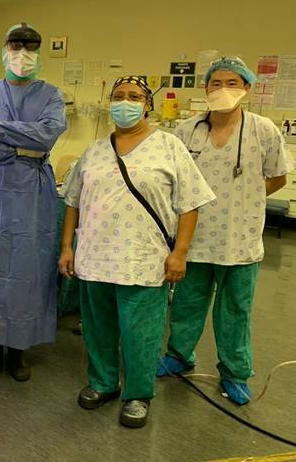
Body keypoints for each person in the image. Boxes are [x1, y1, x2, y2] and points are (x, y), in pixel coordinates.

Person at [59, 76, 215, 428]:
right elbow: (72, 201)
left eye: (134, 96)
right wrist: (67, 246)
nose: (124, 102)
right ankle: (103, 383)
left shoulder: (169, 147)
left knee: (140, 333)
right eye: (118, 96)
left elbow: (191, 204)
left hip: (143, 260)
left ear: (148, 104)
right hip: (95, 257)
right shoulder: (96, 150)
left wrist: (181, 253)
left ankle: (139, 394)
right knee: (98, 329)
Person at [157, 57, 294, 404]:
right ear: (205, 88)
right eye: (216, 83)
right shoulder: (186, 130)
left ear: (247, 88)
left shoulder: (263, 130)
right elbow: (172, 179)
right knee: (187, 304)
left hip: (240, 240)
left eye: (232, 83)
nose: (223, 90)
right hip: (193, 239)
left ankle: (234, 372)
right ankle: (178, 356)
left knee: (235, 311)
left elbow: (277, 175)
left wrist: (245, 198)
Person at [0, 23, 65, 382]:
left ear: (39, 53)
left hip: (32, 198)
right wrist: (22, 148)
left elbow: (49, 133)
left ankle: (19, 351)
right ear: (4, 50)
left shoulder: (51, 95)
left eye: (30, 47)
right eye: (16, 45)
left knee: (25, 272)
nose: (23, 53)